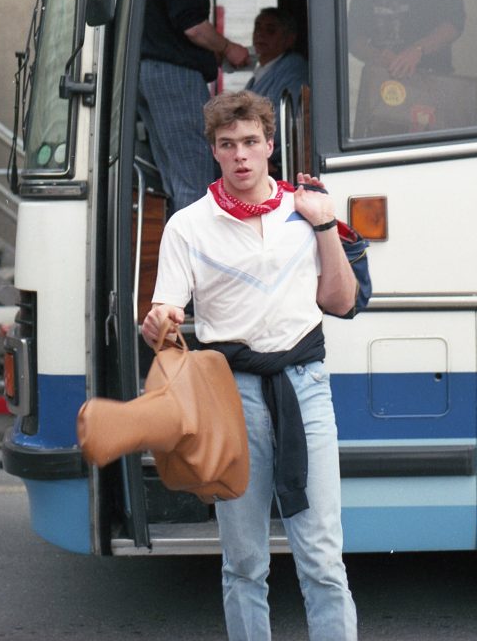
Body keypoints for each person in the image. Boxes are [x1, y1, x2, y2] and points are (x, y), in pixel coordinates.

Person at [142, 91, 360, 641]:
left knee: (323, 558)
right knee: (243, 561)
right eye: (227, 144)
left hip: (305, 387)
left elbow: (340, 302)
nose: (240, 155)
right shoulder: (189, 225)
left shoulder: (305, 211)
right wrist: (160, 321)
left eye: (249, 142)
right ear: (214, 151)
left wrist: (325, 226)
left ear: (269, 145)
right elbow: (165, 311)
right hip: (230, 395)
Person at [138, 0, 251, 214]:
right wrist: (228, 48)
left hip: (149, 74)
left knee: (174, 178)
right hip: (175, 76)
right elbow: (194, 27)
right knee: (196, 178)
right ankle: (197, 246)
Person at [245, 7, 309, 175]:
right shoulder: (263, 70)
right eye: (257, 28)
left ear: (289, 39)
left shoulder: (293, 68)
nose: (260, 34)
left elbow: (287, 119)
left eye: (270, 30)